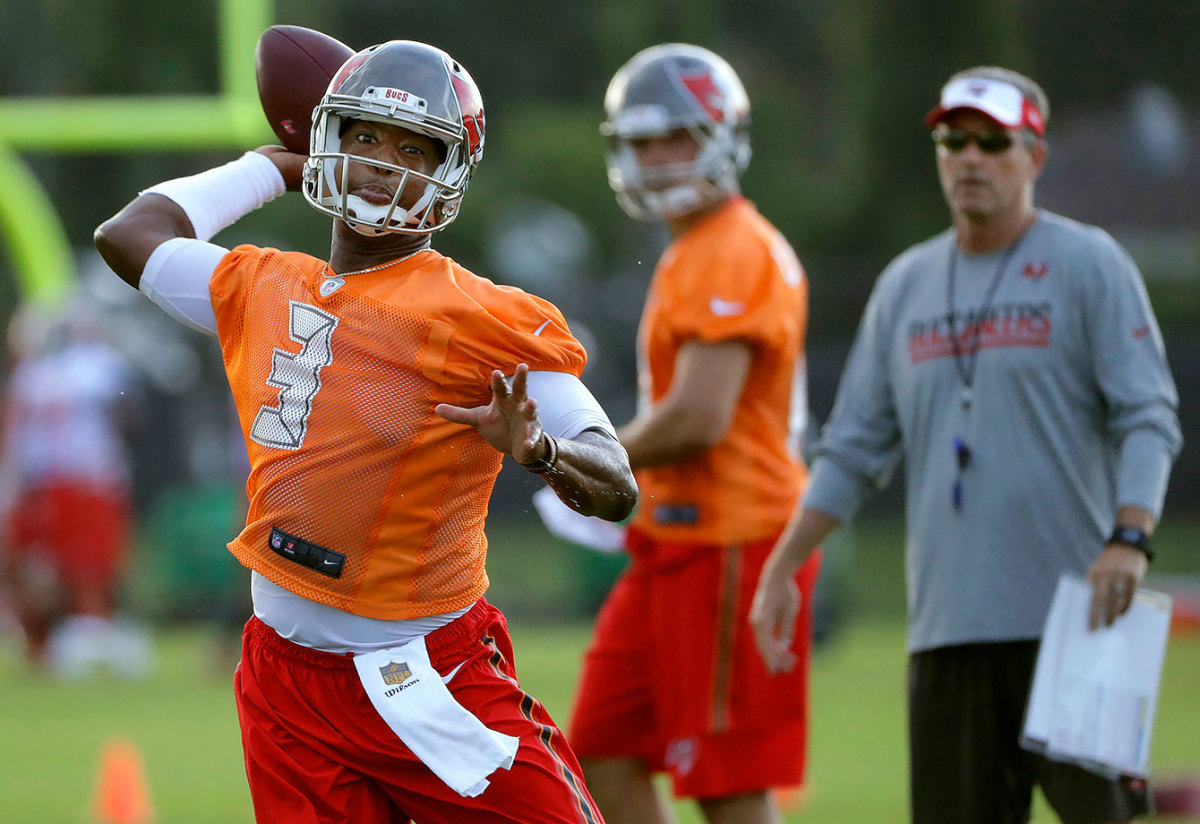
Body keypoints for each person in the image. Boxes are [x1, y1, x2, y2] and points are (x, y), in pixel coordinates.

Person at [95, 38, 636, 824]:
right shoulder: (262, 282)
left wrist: (542, 452)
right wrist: (274, 163)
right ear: (327, 143)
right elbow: (131, 231)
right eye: (363, 138)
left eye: (414, 149)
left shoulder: (485, 316)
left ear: (450, 172)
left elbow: (616, 483)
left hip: (427, 674)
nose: (384, 163)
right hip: (286, 682)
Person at [750, 66, 1182, 824]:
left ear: (1035, 156)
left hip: (1080, 622)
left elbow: (1149, 414)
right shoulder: (906, 284)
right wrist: (785, 565)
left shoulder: (1091, 264)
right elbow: (851, 450)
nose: (970, 158)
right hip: (947, 628)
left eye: (992, 141)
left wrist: (1130, 537)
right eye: (954, 140)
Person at [567, 43, 822, 824]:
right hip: (676, 543)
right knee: (599, 752)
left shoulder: (732, 247)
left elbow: (700, 417)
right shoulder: (696, 248)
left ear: (719, 133)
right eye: (638, 143)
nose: (652, 159)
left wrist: (579, 452)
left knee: (728, 786)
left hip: (732, 543)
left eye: (670, 137)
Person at [0, 300, 149, 678]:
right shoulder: (91, 368)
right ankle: (67, 638)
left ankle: (75, 638)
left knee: (77, 568)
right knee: (77, 568)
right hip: (78, 480)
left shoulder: (41, 373)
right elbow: (130, 421)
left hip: (60, 481)